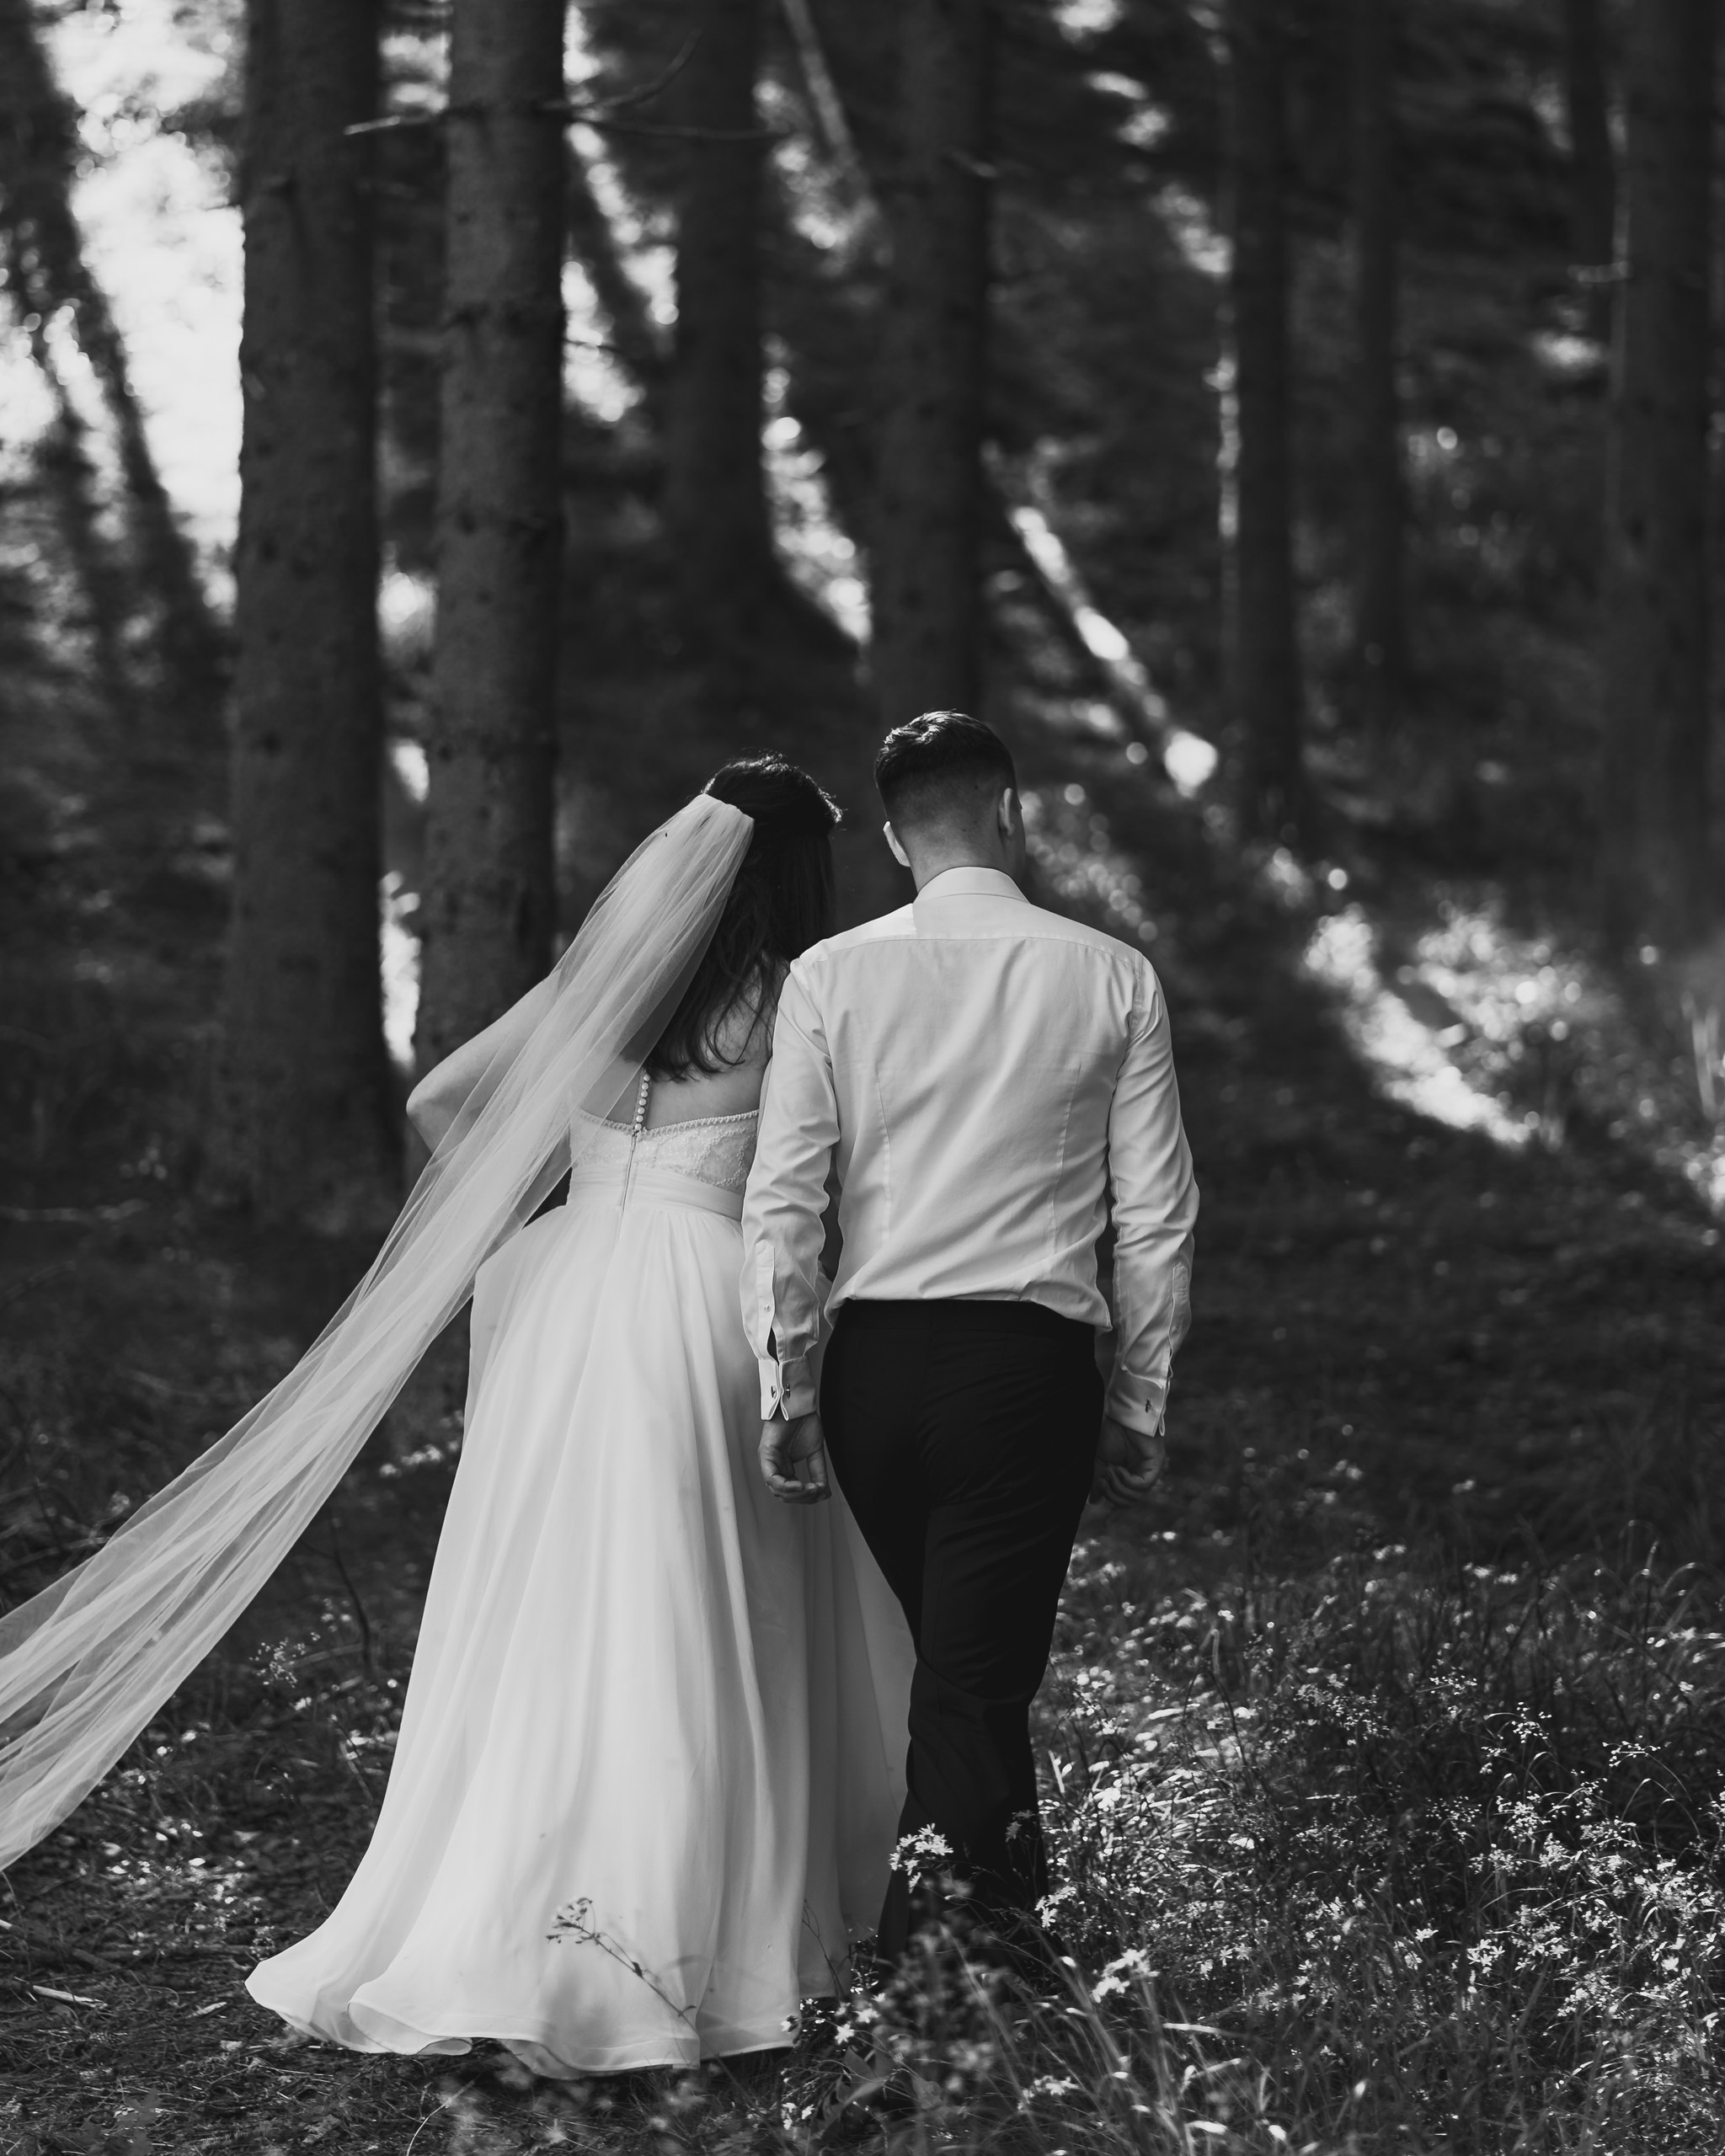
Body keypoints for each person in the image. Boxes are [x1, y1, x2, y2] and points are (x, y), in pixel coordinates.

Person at [0, 759, 911, 2075]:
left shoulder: (599, 995)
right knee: (712, 1602)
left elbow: (438, 1103)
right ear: (797, 881)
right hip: (709, 1306)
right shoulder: (796, 997)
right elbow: (835, 1174)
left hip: (571, 1306)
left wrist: (567, 1197)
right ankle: (694, 1938)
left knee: (549, 1609)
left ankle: (513, 1921)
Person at [743, 711, 1198, 1961]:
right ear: (1013, 811)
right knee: (972, 1680)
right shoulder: (1111, 975)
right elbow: (1154, 1220)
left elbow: (786, 1198)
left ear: (895, 839)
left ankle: (1011, 1953)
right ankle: (931, 2005)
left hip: (874, 1376)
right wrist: (1140, 1402)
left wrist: (788, 1386)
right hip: (1021, 1375)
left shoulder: (830, 976)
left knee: (968, 1674)